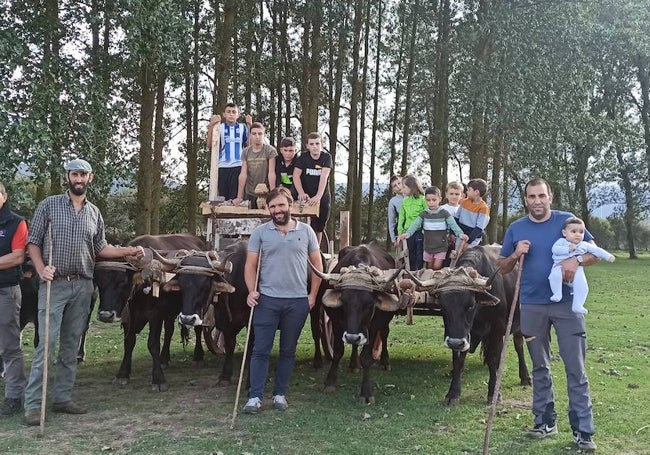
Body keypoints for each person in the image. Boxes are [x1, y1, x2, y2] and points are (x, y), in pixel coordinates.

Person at [23, 158, 145, 426]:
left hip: (83, 285)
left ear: (90, 178)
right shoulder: (49, 205)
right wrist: (41, 268)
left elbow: (101, 248)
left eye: (83, 175)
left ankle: (63, 398)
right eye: (74, 174)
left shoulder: (94, 213)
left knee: (71, 345)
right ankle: (33, 405)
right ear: (68, 176)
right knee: (47, 344)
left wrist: (127, 251)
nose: (78, 179)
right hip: (54, 284)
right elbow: (32, 242)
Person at [497, 178, 599, 451]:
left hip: (567, 306)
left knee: (575, 368)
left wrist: (574, 260)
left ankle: (583, 431)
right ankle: (544, 421)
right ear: (526, 200)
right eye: (532, 196)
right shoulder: (517, 228)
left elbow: (594, 254)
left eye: (542, 195)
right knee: (539, 366)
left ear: (550, 196)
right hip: (531, 306)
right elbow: (503, 268)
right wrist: (515, 254)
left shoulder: (567, 221)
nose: (537, 201)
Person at [243, 187, 323, 413]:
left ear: (290, 205)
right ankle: (255, 397)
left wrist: (312, 295)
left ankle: (280, 394)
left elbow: (318, 266)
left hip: (297, 301)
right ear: (268, 209)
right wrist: (251, 290)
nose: (277, 210)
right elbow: (250, 265)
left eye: (280, 205)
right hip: (267, 299)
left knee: (288, 350)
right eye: (272, 207)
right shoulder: (261, 233)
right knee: (260, 349)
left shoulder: (306, 231)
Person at [0, 182, 28, 417]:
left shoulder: (16, 222)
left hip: (5, 290)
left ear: (4, 197)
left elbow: (18, 256)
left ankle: (14, 395)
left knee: (9, 345)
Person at [549, 217, 615, 314]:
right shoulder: (562, 242)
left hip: (577, 270)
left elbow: (597, 251)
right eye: (573, 231)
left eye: (581, 232)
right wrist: (567, 249)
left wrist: (608, 256)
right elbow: (555, 250)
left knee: (583, 287)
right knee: (554, 277)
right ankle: (557, 293)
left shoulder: (584, 245)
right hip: (558, 266)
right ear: (564, 233)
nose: (577, 235)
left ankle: (578, 305)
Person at [398, 186, 468, 270]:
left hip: (441, 246)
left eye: (434, 200)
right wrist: (408, 233)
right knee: (430, 267)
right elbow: (415, 225)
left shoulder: (444, 213)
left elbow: (453, 225)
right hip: (428, 246)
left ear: (440, 199)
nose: (431, 202)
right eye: (428, 200)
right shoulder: (424, 214)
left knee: (437, 266)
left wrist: (460, 234)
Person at [206, 103, 253, 200]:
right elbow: (210, 145)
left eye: (234, 112)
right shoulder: (219, 127)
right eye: (228, 112)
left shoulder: (242, 127)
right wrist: (211, 126)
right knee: (223, 197)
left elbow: (250, 145)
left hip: (238, 166)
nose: (231, 114)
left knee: (236, 197)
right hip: (222, 166)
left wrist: (250, 125)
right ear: (224, 114)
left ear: (238, 115)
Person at [293, 132, 332, 246]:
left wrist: (318, 196)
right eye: (312, 144)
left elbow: (324, 176)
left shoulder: (326, 157)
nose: (315, 146)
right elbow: (296, 176)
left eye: (317, 143)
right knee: (302, 223)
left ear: (322, 145)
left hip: (322, 196)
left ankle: (316, 249)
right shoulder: (303, 158)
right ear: (307, 146)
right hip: (306, 195)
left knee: (319, 227)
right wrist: (301, 193)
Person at [233, 122, 277, 208]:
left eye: (260, 134)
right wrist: (239, 197)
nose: (257, 136)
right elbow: (243, 174)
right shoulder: (246, 151)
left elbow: (271, 173)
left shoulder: (270, 150)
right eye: (254, 134)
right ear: (250, 135)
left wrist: (273, 196)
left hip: (265, 192)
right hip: (250, 192)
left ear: (264, 135)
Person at [396, 175, 427, 270]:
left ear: (412, 187)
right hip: (407, 233)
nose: (402, 189)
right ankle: (411, 272)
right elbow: (401, 218)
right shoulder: (405, 201)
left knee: (419, 254)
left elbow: (426, 215)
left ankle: (419, 271)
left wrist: (424, 230)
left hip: (419, 232)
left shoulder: (423, 199)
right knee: (410, 254)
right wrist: (400, 233)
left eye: (404, 187)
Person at [455, 178, 490, 249]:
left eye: (469, 190)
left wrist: (469, 241)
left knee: (468, 257)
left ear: (476, 192)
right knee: (456, 255)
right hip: (461, 235)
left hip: (473, 239)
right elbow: (456, 218)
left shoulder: (483, 208)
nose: (467, 192)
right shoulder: (464, 202)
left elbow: (479, 228)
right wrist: (454, 233)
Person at [387, 176, 404, 245]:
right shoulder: (393, 202)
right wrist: (393, 239)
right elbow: (391, 221)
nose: (398, 187)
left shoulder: (412, 196)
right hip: (401, 233)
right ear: (393, 189)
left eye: (399, 183)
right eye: (395, 186)